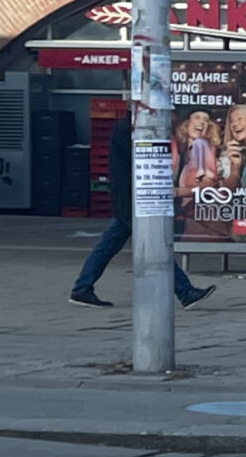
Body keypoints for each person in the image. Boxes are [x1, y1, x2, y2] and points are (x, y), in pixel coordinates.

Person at [70, 110, 214, 310]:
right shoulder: (131, 129)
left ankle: (82, 288)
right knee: (156, 243)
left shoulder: (134, 127)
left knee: (108, 246)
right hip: (133, 198)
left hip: (130, 198)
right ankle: (185, 291)